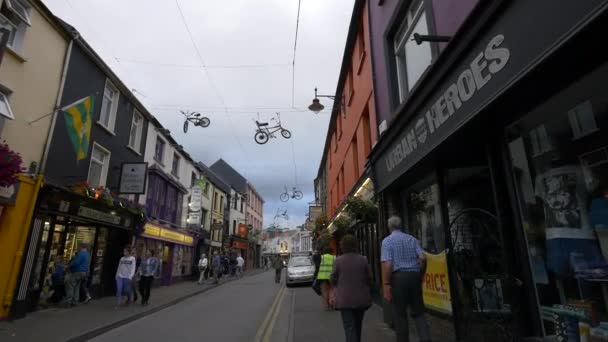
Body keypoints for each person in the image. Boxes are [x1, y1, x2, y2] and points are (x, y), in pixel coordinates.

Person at [381, 216, 431, 342]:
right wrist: (421, 274)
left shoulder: (387, 241)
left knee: (400, 315)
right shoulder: (412, 239)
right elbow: (423, 258)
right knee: (419, 312)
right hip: (414, 277)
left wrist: (386, 283)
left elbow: (388, 264)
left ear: (389, 227)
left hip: (398, 279)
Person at [331, 235, 372, 342]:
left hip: (345, 300)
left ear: (342, 246)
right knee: (358, 326)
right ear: (355, 245)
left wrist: (336, 286)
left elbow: (333, 278)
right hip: (361, 298)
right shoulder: (363, 259)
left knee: (350, 328)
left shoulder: (338, 261)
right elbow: (369, 278)